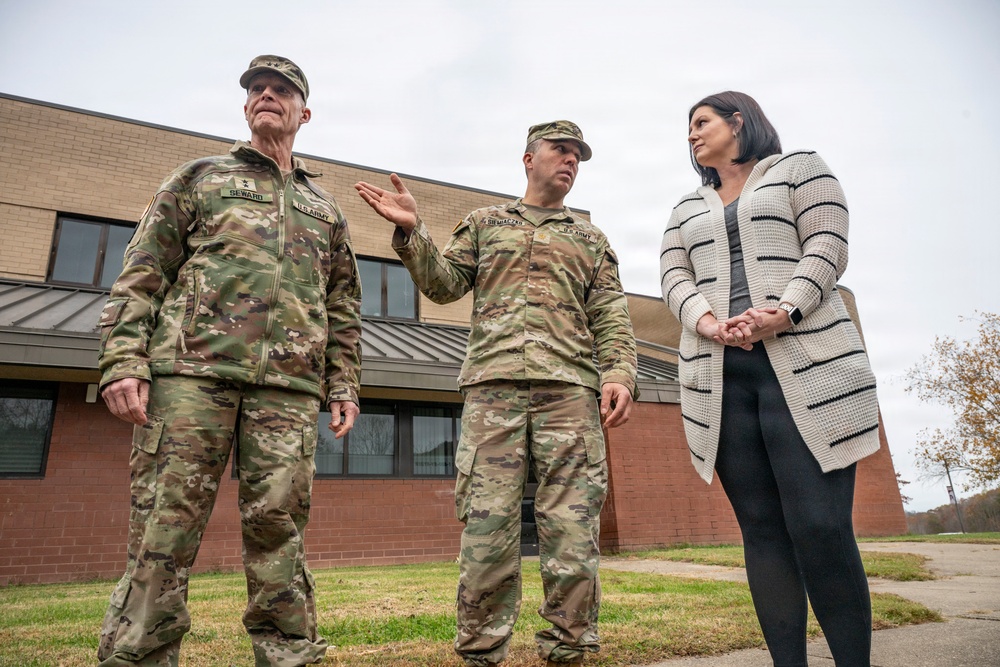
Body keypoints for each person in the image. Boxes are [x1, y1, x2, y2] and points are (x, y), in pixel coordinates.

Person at [95, 55, 362, 667]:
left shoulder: (326, 211)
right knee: (165, 527)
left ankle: (289, 653)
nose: (267, 96)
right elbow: (141, 275)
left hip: (288, 392)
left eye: (281, 90)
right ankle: (138, 655)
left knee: (280, 529)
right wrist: (122, 360)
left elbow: (342, 306)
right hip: (190, 378)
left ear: (304, 112)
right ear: (246, 107)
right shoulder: (199, 178)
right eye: (257, 90)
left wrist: (342, 384)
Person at [355, 121, 638, 667]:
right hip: (493, 394)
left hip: (569, 395)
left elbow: (611, 317)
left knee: (573, 534)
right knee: (487, 531)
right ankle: (481, 653)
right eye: (560, 150)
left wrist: (620, 375)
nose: (570, 161)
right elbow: (442, 286)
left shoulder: (590, 240)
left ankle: (571, 650)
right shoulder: (486, 224)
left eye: (578, 155)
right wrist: (413, 233)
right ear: (527, 159)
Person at [659, 91, 880, 666]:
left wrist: (785, 310)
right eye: (688, 128)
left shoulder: (801, 169)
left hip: (807, 369)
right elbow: (673, 275)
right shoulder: (686, 207)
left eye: (701, 122)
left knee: (820, 526)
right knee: (762, 532)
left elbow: (828, 247)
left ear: (739, 121)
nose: (691, 135)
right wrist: (706, 321)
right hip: (722, 379)